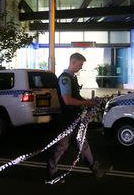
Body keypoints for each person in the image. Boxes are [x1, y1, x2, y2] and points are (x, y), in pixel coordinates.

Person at [47, 53, 111, 182]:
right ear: (73, 62)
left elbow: (76, 97)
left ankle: (95, 168)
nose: (81, 67)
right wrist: (88, 103)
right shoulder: (65, 78)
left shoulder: (72, 78)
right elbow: (67, 100)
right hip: (66, 119)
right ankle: (51, 172)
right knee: (62, 146)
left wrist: (88, 101)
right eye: (80, 64)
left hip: (74, 118)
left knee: (82, 142)